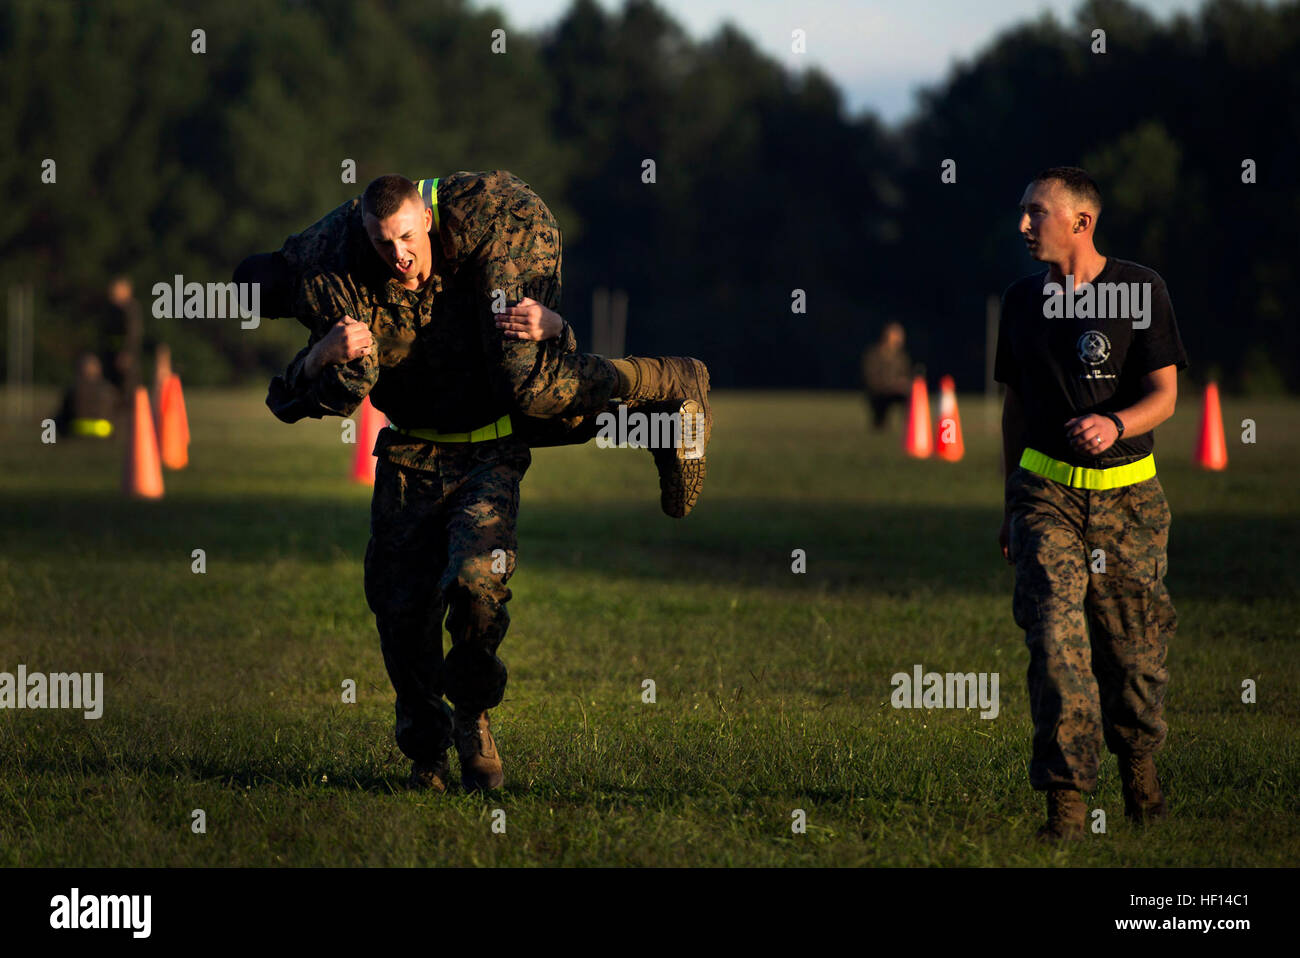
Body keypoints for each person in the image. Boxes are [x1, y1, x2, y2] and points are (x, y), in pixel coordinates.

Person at [259, 173, 711, 793]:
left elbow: (538, 364)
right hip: (409, 461)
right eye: (383, 243)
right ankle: (426, 755)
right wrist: (320, 355)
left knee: (477, 584)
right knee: (399, 612)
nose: (400, 256)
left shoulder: (486, 259)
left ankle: (474, 719)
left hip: (489, 454)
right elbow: (286, 400)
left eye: (409, 238)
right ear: (366, 239)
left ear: (430, 225)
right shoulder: (350, 284)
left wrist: (556, 328)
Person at [995, 167, 1187, 840]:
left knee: (1134, 659)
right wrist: (1009, 504)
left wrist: (1117, 424)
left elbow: (1164, 394)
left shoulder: (1141, 289)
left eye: (1035, 212)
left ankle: (1140, 776)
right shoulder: (1020, 302)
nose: (1022, 224)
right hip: (1045, 499)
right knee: (1055, 646)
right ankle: (1067, 808)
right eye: (1021, 212)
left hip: (1130, 501)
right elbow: (1014, 411)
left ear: (1080, 222)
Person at [860, 322, 912, 430]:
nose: (899, 339)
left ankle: (910, 426)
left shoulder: (901, 357)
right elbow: (871, 378)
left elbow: (906, 375)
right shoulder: (875, 354)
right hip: (879, 392)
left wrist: (905, 384)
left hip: (897, 392)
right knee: (879, 424)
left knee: (910, 396)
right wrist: (891, 385)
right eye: (896, 335)